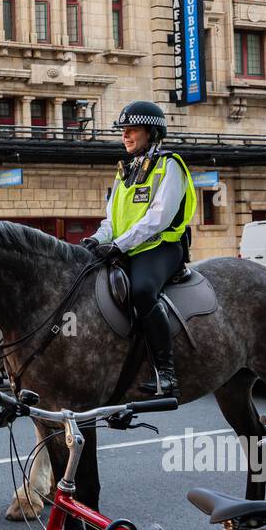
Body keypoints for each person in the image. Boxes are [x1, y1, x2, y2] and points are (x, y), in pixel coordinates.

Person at [82, 100, 197, 396]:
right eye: (124, 131)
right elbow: (112, 219)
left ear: (152, 133)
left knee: (143, 291)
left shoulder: (170, 165)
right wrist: (98, 239)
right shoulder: (124, 172)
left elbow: (158, 219)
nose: (126, 135)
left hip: (161, 247)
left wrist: (118, 245)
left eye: (133, 130)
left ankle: (166, 372)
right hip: (127, 248)